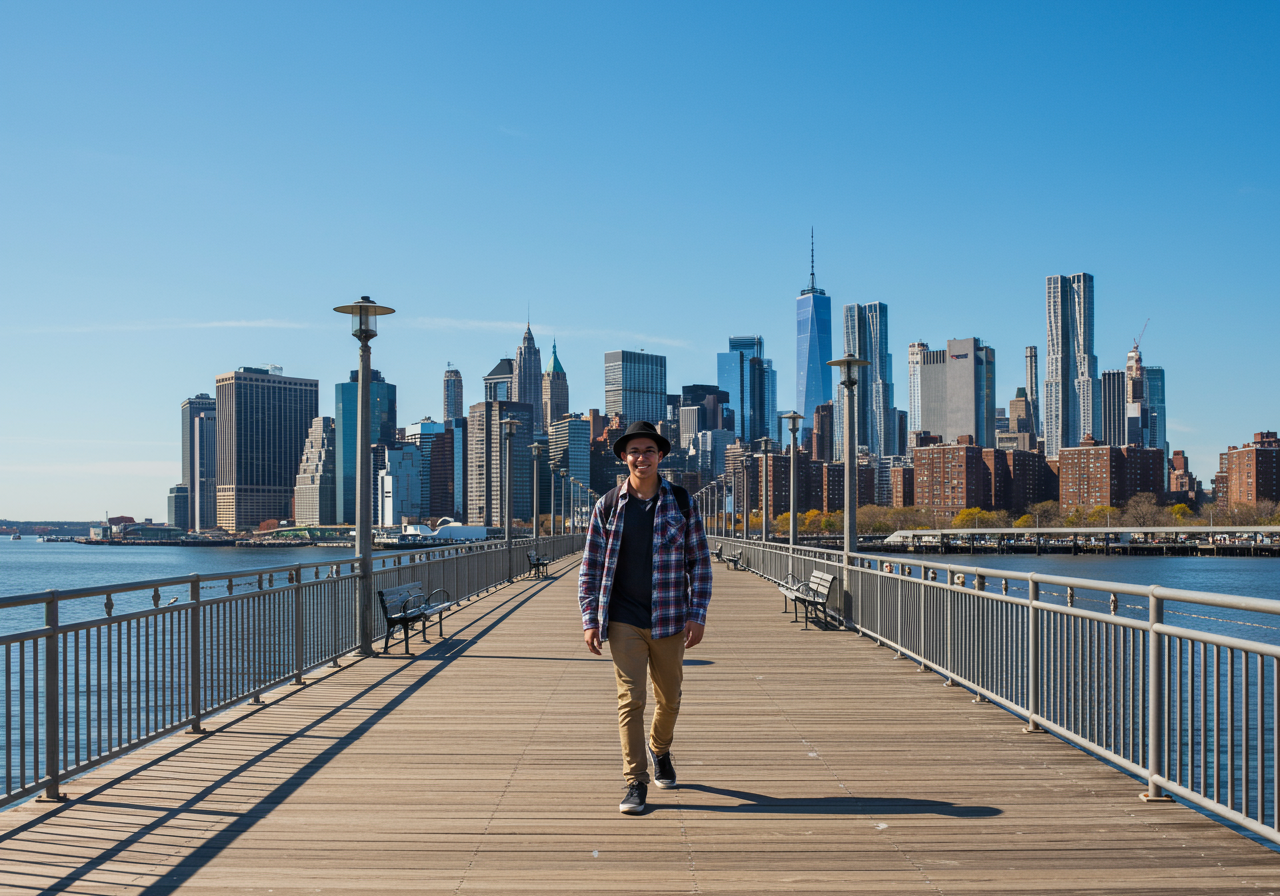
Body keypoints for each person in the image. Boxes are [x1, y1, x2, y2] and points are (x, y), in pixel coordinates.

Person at [577, 420, 713, 815]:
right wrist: (590, 619)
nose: (642, 457)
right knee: (630, 701)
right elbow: (590, 567)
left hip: (671, 618)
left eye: (649, 451)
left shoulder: (682, 501)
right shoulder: (606, 505)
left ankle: (660, 748)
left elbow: (699, 562)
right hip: (622, 619)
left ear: (661, 457)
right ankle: (635, 781)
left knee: (669, 699)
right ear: (624, 458)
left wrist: (698, 614)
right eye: (634, 451)